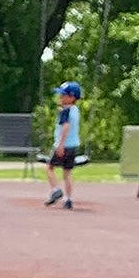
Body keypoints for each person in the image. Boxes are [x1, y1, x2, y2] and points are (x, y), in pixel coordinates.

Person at [44, 81, 83, 209]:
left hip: (63, 146)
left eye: (63, 95)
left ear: (71, 97)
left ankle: (56, 190)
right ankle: (68, 199)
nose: (60, 98)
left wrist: (60, 144)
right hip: (73, 146)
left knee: (49, 167)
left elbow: (66, 126)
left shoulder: (65, 111)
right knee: (67, 172)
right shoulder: (76, 110)